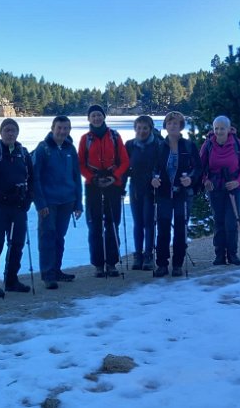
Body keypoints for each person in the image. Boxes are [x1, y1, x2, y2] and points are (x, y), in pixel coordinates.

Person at [0, 118, 34, 297]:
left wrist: (28, 199)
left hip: (18, 205)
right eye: (7, 130)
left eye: (13, 130)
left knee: (17, 243)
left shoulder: (23, 154)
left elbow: (32, 179)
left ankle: (11, 280)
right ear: (1, 132)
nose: (10, 134)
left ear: (17, 133)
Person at [32, 115, 84, 289]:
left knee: (59, 237)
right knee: (47, 236)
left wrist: (78, 203)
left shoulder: (70, 149)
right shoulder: (43, 148)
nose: (62, 131)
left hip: (67, 200)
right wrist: (40, 204)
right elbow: (35, 178)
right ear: (52, 128)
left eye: (66, 128)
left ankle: (56, 270)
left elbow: (76, 177)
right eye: (59, 128)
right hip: (49, 202)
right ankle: (48, 274)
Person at [78, 105, 130, 278]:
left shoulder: (115, 136)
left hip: (112, 184)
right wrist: (93, 178)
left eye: (99, 115)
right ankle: (98, 264)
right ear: (89, 118)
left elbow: (125, 161)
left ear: (104, 116)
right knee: (94, 225)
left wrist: (114, 177)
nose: (96, 118)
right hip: (93, 185)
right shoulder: (85, 139)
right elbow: (81, 164)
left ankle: (112, 263)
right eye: (93, 115)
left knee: (112, 224)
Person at [150, 112, 201, 277]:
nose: (172, 126)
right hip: (164, 194)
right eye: (170, 123)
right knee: (163, 230)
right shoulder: (159, 147)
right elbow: (153, 168)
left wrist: (190, 179)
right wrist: (153, 179)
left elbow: (198, 168)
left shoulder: (189, 146)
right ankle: (162, 264)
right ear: (165, 126)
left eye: (176, 123)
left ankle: (177, 264)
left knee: (180, 230)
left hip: (183, 195)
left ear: (181, 126)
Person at [199, 115, 240, 265]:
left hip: (234, 188)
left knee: (232, 221)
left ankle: (232, 254)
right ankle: (219, 255)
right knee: (219, 221)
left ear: (229, 129)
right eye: (216, 128)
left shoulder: (238, 145)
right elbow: (200, 167)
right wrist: (205, 180)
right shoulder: (208, 145)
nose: (219, 131)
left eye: (222, 128)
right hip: (215, 188)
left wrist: (238, 182)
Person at [125, 116, 162, 271]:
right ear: (135, 129)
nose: (141, 131)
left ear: (150, 129)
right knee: (138, 222)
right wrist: (121, 185)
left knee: (149, 222)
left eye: (145, 128)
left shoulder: (158, 144)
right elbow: (124, 166)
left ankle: (148, 255)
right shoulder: (130, 145)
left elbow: (160, 165)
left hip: (151, 188)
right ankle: (138, 255)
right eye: (139, 128)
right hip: (135, 188)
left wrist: (156, 177)